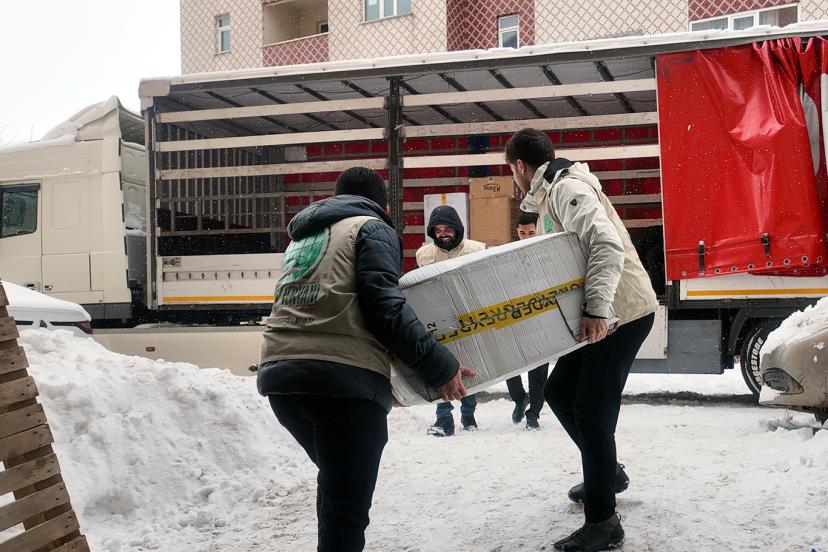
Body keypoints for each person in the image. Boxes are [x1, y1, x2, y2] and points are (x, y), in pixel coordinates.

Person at [257, 167, 475, 552]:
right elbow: (385, 308)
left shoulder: (305, 236)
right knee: (345, 511)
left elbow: (337, 307)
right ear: (383, 205)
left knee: (337, 491)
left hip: (283, 382)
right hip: (339, 385)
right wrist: (441, 367)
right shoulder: (371, 228)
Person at [505, 129, 658, 552]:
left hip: (621, 313)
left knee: (592, 411)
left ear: (520, 166)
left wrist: (596, 309)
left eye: (512, 170)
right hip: (607, 313)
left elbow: (605, 246)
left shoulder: (567, 189)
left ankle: (604, 522)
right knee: (559, 391)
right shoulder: (553, 192)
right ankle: (606, 475)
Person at [415, 205, 485, 436]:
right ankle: (443, 416)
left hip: (469, 315)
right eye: (438, 230)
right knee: (441, 366)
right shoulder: (424, 254)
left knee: (469, 366)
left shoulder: (477, 249)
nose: (443, 234)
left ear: (457, 229)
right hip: (437, 318)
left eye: (447, 229)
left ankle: (469, 414)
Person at [505, 211, 549, 431]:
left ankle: (534, 414)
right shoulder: (509, 253)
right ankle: (520, 398)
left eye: (530, 233)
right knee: (509, 366)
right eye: (522, 233)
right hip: (515, 316)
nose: (526, 237)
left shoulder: (547, 252)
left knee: (538, 371)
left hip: (541, 315)